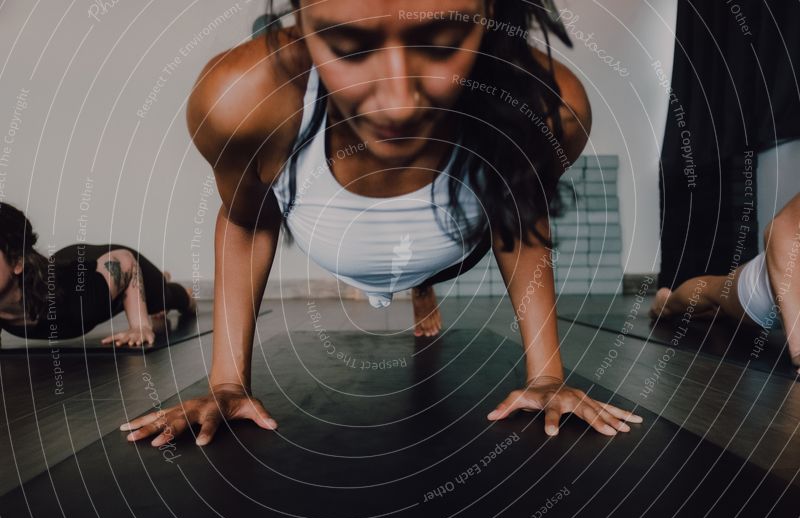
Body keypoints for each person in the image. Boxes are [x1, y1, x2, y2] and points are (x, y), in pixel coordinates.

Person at [121, 0, 643, 447]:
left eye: (440, 42)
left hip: (458, 244)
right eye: (348, 46)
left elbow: (517, 218)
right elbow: (247, 220)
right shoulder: (241, 101)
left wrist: (548, 376)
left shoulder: (551, 109)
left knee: (470, 218)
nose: (397, 103)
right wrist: (226, 383)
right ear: (299, 21)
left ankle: (422, 285)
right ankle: (419, 286)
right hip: (323, 232)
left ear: (489, 14)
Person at [0, 202, 196, 348]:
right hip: (63, 265)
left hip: (108, 263)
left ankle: (183, 293)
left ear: (17, 262)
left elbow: (125, 262)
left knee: (161, 297)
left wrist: (140, 325)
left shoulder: (77, 295)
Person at [650, 191, 800, 373]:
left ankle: (713, 313)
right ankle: (666, 303)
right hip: (763, 290)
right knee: (713, 291)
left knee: (716, 309)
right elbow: (778, 230)